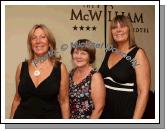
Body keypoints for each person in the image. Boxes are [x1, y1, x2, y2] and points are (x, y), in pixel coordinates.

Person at [10, 24, 70, 119]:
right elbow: (17, 99)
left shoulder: (60, 68)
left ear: (50, 43)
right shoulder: (21, 67)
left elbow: (64, 101)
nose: (38, 41)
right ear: (30, 43)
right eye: (34, 38)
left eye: (43, 37)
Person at [99, 15, 151, 119]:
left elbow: (143, 92)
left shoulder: (138, 53)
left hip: (125, 112)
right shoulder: (110, 52)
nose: (118, 30)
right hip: (105, 111)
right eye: (114, 28)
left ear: (129, 29)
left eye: (122, 26)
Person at [69, 39, 106, 119]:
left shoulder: (95, 77)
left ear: (90, 56)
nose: (78, 56)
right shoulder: (71, 74)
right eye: (76, 52)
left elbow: (99, 108)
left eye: (83, 53)